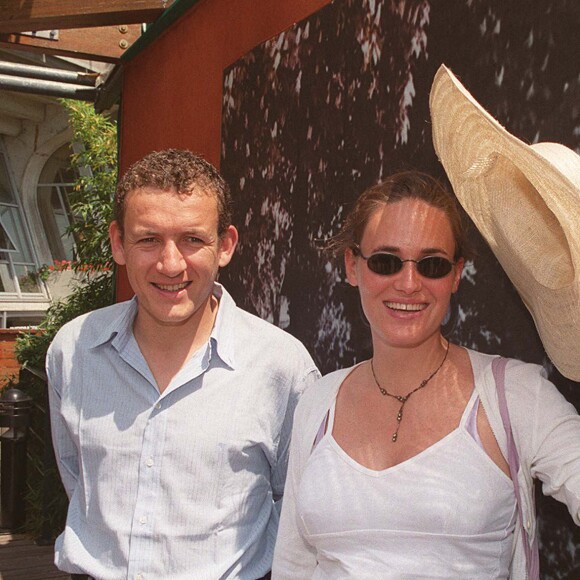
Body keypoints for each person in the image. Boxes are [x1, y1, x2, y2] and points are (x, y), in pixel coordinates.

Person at [272, 169, 580, 578]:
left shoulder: (516, 396)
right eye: (386, 261)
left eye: (432, 265)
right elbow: (293, 565)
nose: (409, 283)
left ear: (456, 274)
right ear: (352, 266)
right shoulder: (318, 402)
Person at [47, 149, 320, 580]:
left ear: (225, 245)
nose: (170, 263)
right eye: (148, 239)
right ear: (119, 243)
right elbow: (79, 483)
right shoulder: (73, 351)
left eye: (192, 239)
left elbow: (300, 511)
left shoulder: (282, 367)